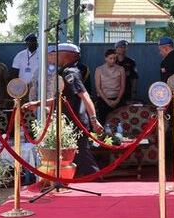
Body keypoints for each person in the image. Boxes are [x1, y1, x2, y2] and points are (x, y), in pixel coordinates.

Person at [36, 43, 104, 176]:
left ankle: (95, 179)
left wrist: (94, 120)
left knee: (82, 156)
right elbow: (61, 100)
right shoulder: (64, 71)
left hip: (76, 122)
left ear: (66, 55)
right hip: (69, 122)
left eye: (55, 54)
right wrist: (37, 103)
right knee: (73, 157)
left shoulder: (70, 73)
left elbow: (85, 96)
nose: (52, 57)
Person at [93, 48, 125, 120]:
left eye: (114, 58)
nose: (113, 60)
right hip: (103, 99)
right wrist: (107, 101)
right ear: (106, 58)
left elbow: (123, 86)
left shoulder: (121, 69)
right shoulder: (99, 69)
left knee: (119, 121)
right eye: (110, 58)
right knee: (103, 120)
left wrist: (117, 100)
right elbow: (98, 87)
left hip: (117, 99)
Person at [11, 33, 40, 97]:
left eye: (34, 41)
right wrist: (17, 86)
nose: (33, 43)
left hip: (38, 87)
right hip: (23, 87)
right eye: (30, 41)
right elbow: (14, 73)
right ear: (26, 43)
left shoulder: (41, 54)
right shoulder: (20, 55)